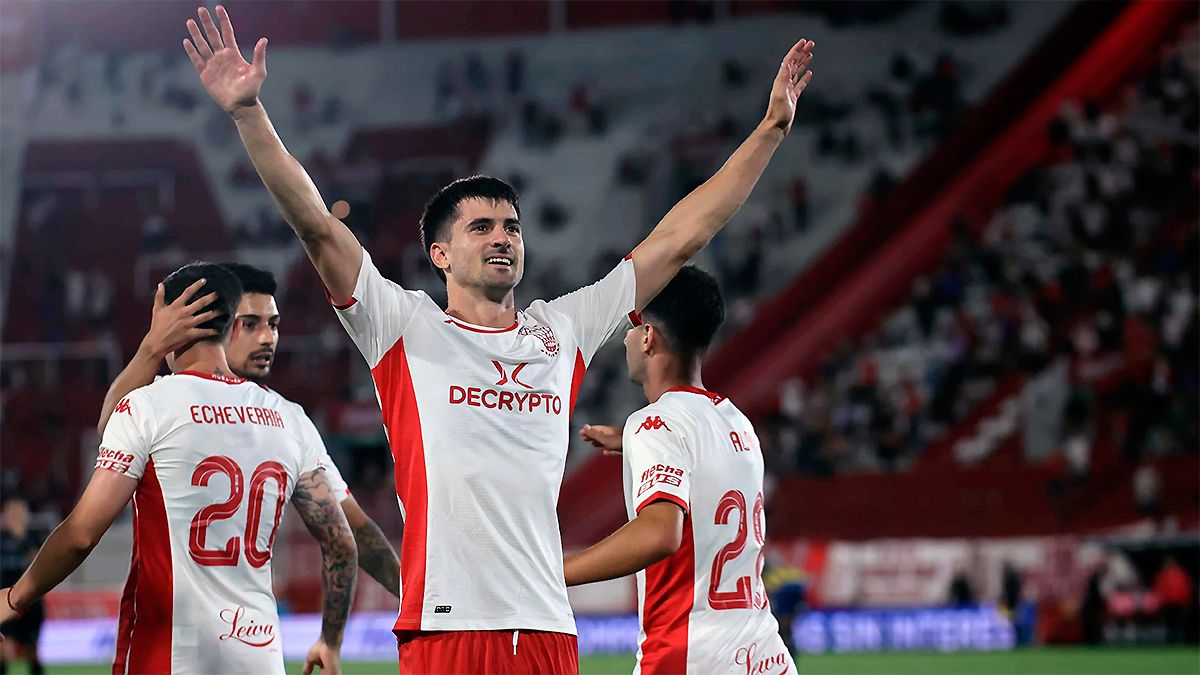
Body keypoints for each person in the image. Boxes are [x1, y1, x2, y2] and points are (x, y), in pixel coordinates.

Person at [183, 5, 812, 671]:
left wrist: (770, 130)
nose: (502, 237)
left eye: (512, 226)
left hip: (546, 629)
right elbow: (316, 224)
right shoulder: (402, 326)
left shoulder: (561, 330)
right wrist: (249, 114)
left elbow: (680, 238)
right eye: (480, 227)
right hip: (446, 629)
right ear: (440, 254)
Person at [0, 263, 357, 675]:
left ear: (169, 321)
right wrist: (330, 641)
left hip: (169, 653)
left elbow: (81, 535)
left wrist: (13, 598)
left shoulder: (149, 407)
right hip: (259, 654)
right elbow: (342, 545)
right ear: (230, 324)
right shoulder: (287, 417)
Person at [96, 262, 401, 600]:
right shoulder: (164, 402)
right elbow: (109, 426)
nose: (267, 338)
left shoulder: (287, 418)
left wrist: (414, 600)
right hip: (190, 619)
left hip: (229, 622)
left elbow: (353, 528)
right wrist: (152, 347)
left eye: (273, 325)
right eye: (250, 324)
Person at [564, 267, 796, 674]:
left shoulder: (655, 423)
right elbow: (704, 465)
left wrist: (555, 572)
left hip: (691, 656)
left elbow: (660, 534)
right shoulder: (736, 422)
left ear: (648, 336)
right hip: (763, 655)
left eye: (632, 328)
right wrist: (632, 440)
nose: (626, 339)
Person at [0, 499, 44, 675]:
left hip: (29, 603)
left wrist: (23, 540)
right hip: (5, 600)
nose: (15, 518)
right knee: (2, 650)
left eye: (19, 514)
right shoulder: (1, 540)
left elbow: (40, 568)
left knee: (31, 651)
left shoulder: (34, 540)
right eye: (12, 514)